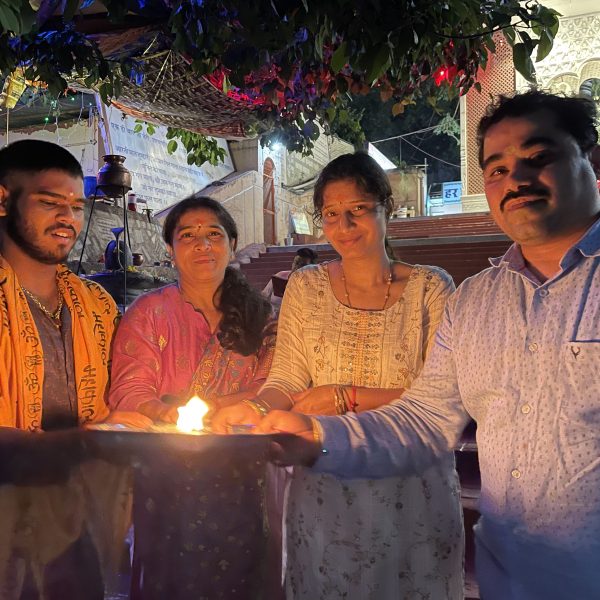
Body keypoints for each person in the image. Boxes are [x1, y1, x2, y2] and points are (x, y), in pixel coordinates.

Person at [256, 91, 600, 599]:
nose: (517, 180)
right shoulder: (477, 303)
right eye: (497, 169)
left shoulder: (434, 289)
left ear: (589, 157)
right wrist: (314, 436)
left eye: (539, 157)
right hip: (509, 572)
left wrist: (339, 400)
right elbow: (425, 417)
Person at [213, 153, 464, 599]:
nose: (344, 226)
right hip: (325, 486)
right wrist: (251, 409)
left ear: (386, 207)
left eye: (358, 210)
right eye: (331, 214)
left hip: (410, 488)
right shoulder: (307, 286)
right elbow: (287, 380)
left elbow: (441, 398)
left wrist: (344, 397)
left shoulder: (432, 288)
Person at [108, 195, 277, 599]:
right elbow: (129, 391)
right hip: (167, 480)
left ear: (232, 244)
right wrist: (173, 412)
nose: (203, 245)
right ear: (170, 249)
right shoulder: (149, 313)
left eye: (213, 235)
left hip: (244, 476)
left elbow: (276, 385)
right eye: (188, 236)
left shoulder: (263, 316)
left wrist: (218, 408)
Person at [0, 140, 131, 599]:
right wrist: (89, 442)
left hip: (79, 523)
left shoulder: (96, 304)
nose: (68, 219)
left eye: (76, 206)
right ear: (3, 200)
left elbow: (126, 396)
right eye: (49, 202)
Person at [262, 247, 318, 311]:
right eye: (296, 262)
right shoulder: (280, 275)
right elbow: (264, 297)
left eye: (302, 265)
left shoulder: (315, 284)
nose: (297, 267)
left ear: (311, 267)